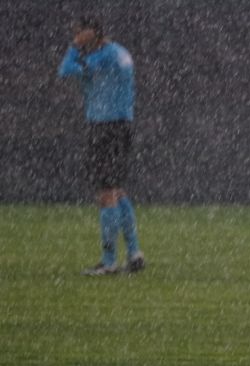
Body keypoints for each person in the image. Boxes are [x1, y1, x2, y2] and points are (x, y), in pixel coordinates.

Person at [58, 16, 144, 275]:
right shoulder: (121, 53)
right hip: (120, 125)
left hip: (105, 127)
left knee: (105, 193)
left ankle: (109, 262)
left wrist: (74, 47)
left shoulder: (103, 57)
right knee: (117, 190)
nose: (76, 37)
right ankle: (134, 252)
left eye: (79, 33)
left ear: (91, 33)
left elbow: (65, 70)